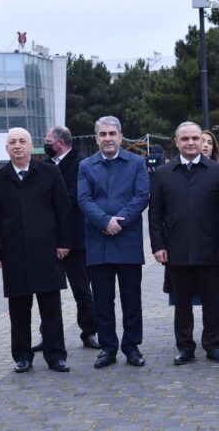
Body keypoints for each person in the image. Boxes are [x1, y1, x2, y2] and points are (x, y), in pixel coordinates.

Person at [0, 128, 72, 373]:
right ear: (6, 148)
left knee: (51, 308)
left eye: (22, 141)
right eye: (12, 142)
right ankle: (22, 356)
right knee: (19, 309)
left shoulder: (49, 173)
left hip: (47, 251)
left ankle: (56, 355)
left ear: (31, 146)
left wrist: (64, 242)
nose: (17, 145)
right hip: (14, 253)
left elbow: (63, 210)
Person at [150, 122, 219, 365]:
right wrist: (158, 245)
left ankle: (212, 345)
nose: (191, 142)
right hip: (176, 250)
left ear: (202, 140)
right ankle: (185, 347)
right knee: (182, 304)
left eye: (195, 138)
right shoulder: (164, 173)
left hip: (211, 249)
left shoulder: (218, 171)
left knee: (211, 302)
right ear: (176, 142)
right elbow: (155, 213)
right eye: (185, 139)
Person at [78, 116, 150, 368]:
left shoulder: (137, 163)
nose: (107, 139)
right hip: (98, 242)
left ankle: (132, 346)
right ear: (96, 137)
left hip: (127, 239)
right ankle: (108, 348)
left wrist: (119, 221)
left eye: (112, 134)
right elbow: (84, 199)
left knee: (132, 299)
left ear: (121, 136)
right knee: (102, 300)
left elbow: (142, 196)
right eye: (102, 134)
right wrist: (104, 221)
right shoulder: (86, 166)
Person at [30, 126, 99, 352]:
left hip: (76, 238)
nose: (45, 144)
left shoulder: (82, 163)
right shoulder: (44, 166)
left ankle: (89, 332)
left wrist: (47, 207)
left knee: (82, 289)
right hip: (48, 238)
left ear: (60, 143)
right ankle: (47, 335)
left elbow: (75, 196)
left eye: (48, 141)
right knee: (47, 289)